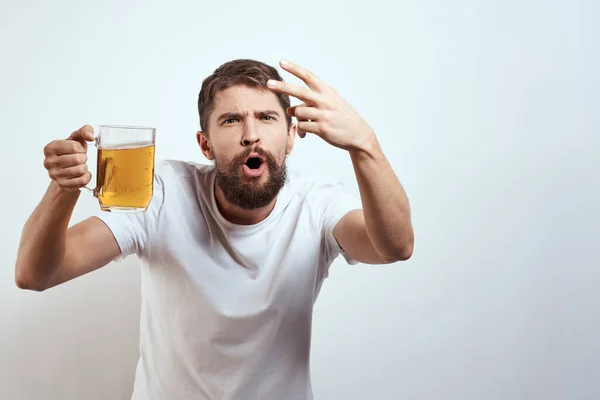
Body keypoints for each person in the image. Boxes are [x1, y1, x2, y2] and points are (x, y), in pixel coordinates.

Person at [15, 58, 414, 399]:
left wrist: (365, 145)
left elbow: (395, 247)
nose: (251, 134)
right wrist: (63, 187)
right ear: (205, 145)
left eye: (267, 117)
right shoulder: (162, 193)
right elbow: (36, 274)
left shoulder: (317, 203)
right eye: (231, 119)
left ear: (292, 136)